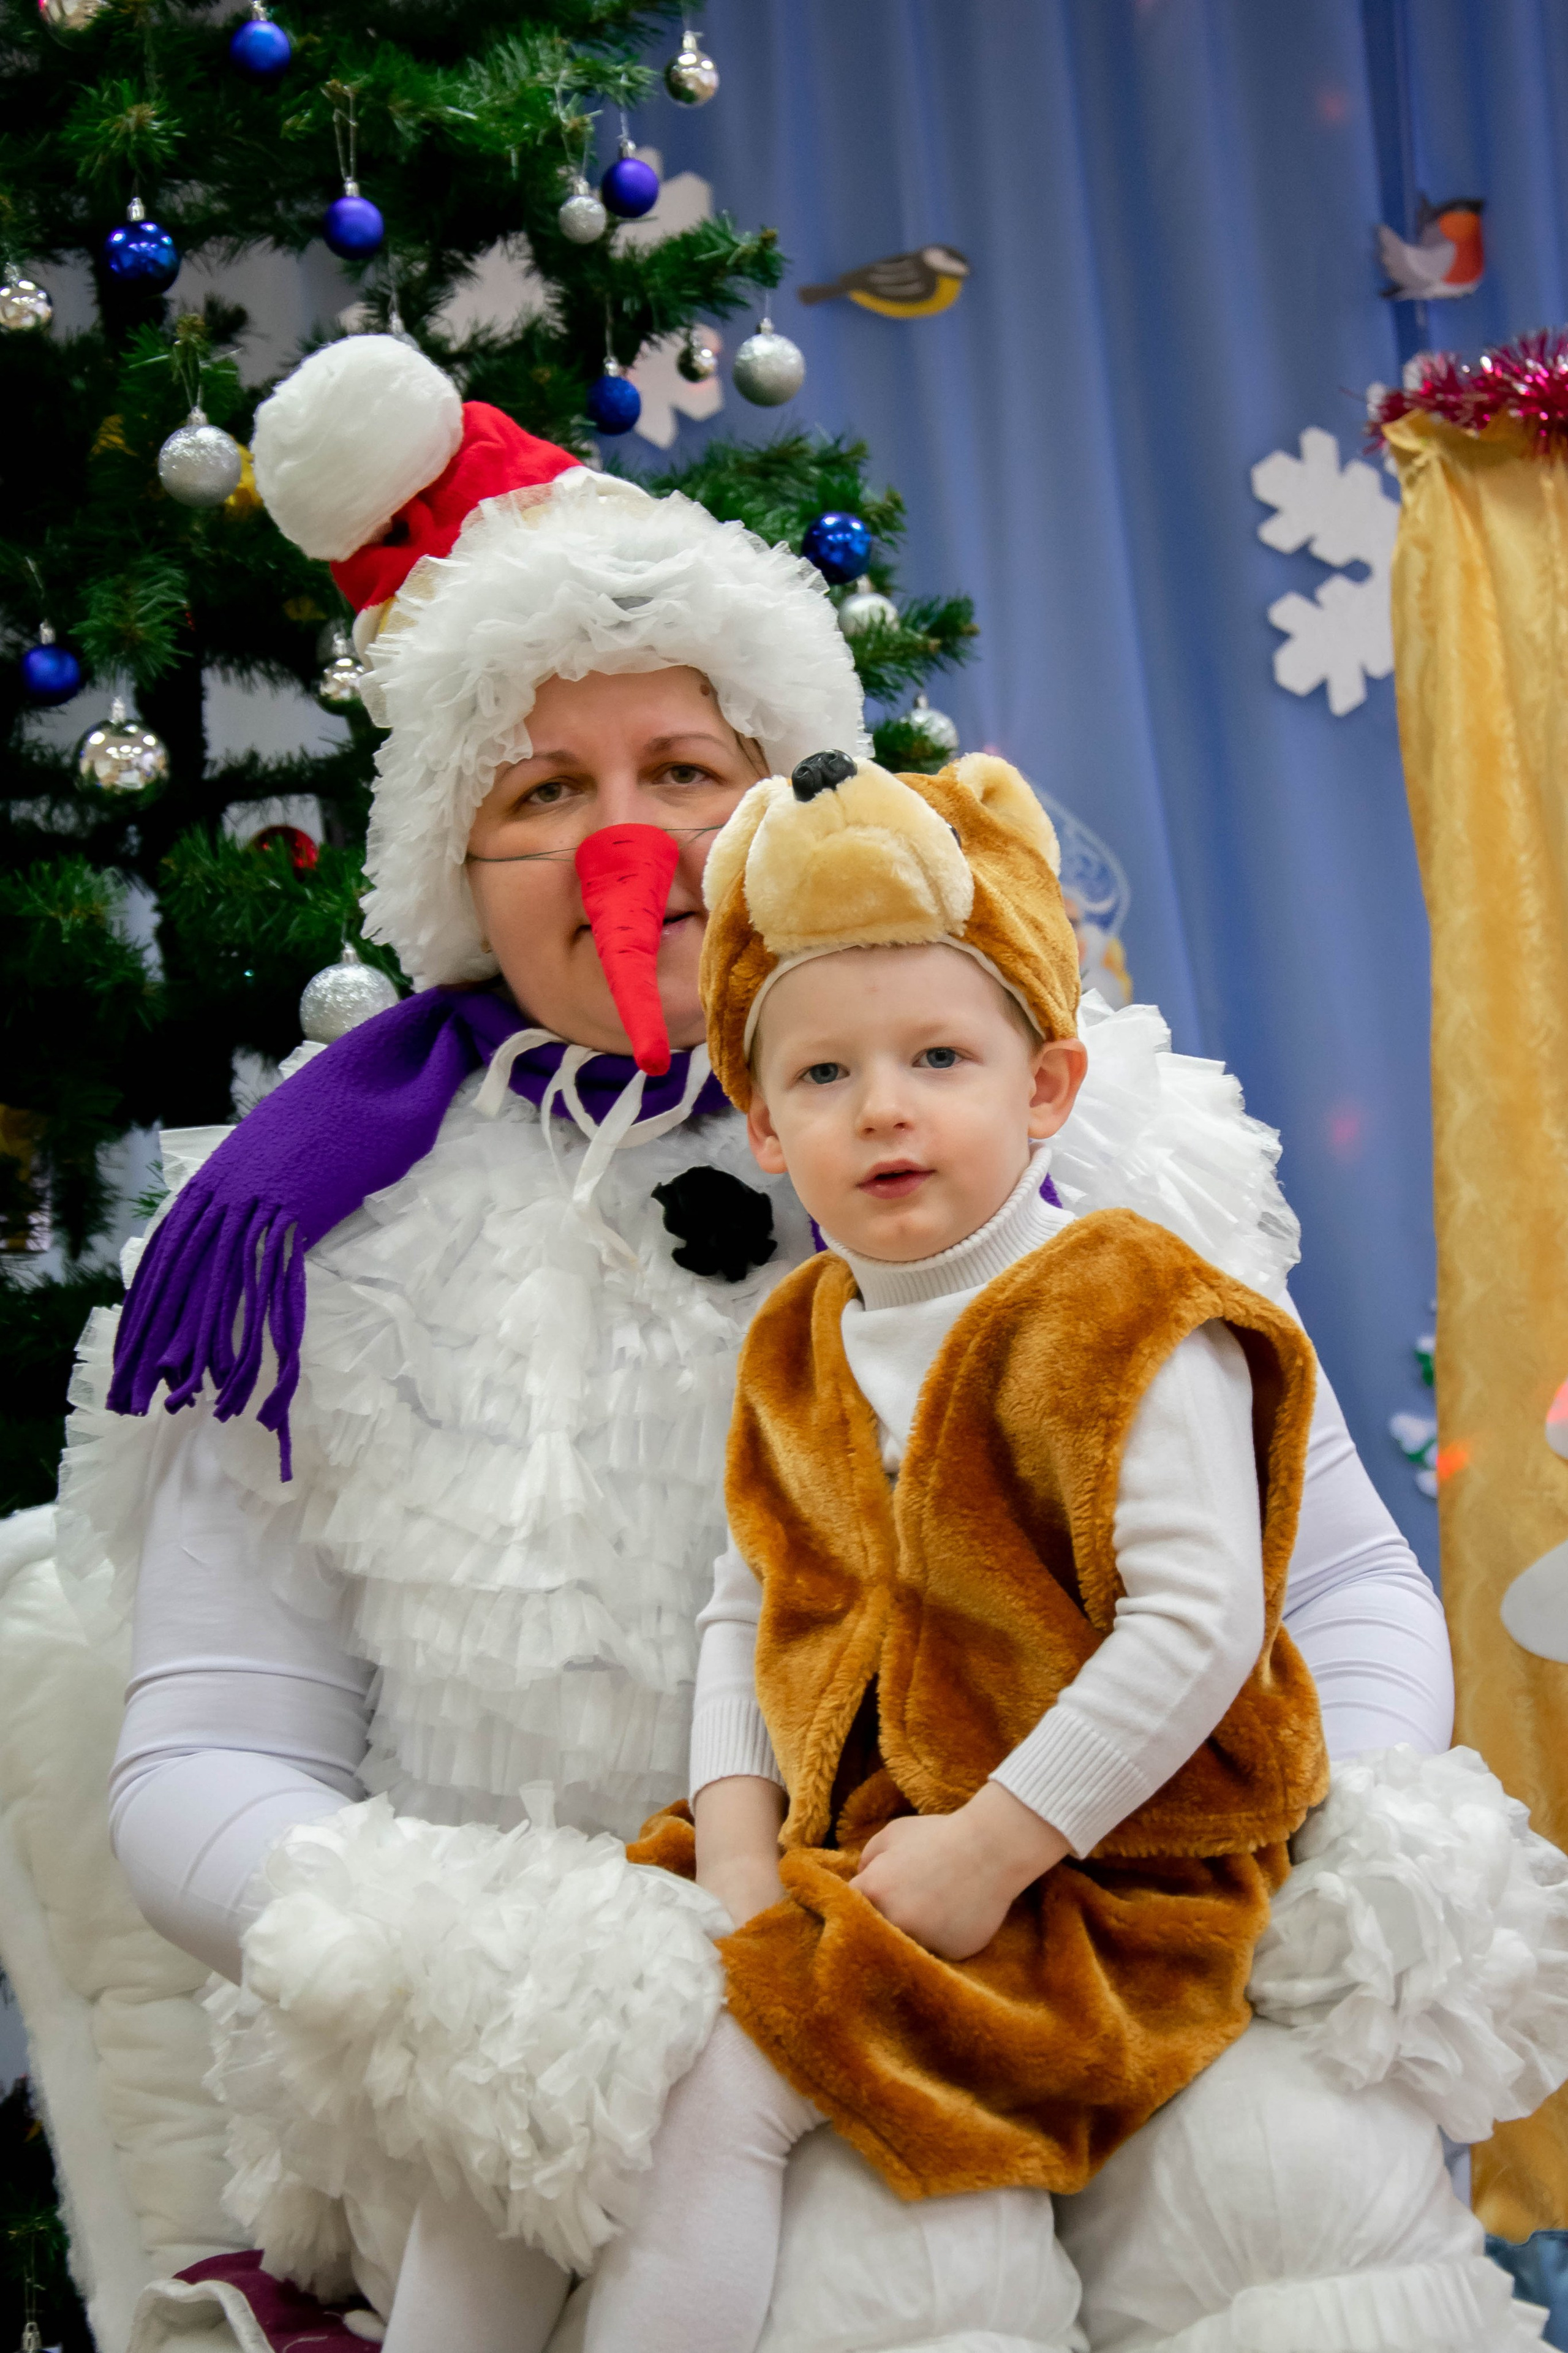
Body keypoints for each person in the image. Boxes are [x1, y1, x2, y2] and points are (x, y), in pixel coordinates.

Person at [53, 331, 1540, 2353]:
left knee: (1301, 2178)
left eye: (684, 772)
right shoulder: (308, 1237)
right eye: (545, 790)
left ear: (783, 809)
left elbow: (1331, 1583)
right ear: (451, 860)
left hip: (1083, 1908)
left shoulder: (1078, 1139)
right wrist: (517, 1960)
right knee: (882, 2259)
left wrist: (1253, 1847)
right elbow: (203, 1759)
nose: (627, 845)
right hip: (612, 1996)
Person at [582, 746, 1327, 2353]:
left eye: (939, 1054)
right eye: (827, 1075)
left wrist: (994, 1843)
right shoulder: (797, 1333)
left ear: (1044, 1086)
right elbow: (745, 1606)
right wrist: (730, 1841)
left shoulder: (1123, 1301)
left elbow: (1198, 1627)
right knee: (567, 2033)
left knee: (719, 2076)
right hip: (858, 1840)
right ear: (767, 1126)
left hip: (1110, 1873)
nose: (887, 1106)